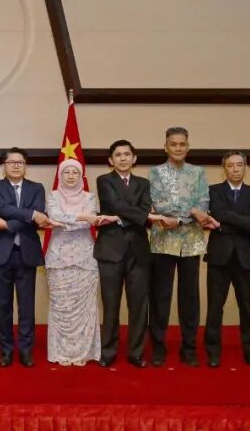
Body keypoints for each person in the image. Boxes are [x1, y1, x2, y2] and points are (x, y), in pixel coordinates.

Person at [147, 126, 216, 367]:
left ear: (188, 146)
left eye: (182, 144)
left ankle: (189, 348)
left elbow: (204, 204)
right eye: (173, 144)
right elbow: (159, 204)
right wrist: (191, 212)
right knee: (160, 296)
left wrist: (183, 217)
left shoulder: (198, 172)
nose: (178, 148)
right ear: (165, 147)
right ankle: (158, 347)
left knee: (190, 298)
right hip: (162, 242)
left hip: (191, 243)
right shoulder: (155, 172)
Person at [204, 151, 250, 368]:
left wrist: (223, 226)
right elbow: (220, 213)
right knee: (215, 308)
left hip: (245, 258)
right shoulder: (214, 190)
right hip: (219, 257)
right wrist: (249, 225)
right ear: (224, 168)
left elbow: (249, 218)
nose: (235, 169)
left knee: (247, 308)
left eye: (239, 165)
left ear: (245, 167)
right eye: (230, 165)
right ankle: (213, 353)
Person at [0, 147, 48, 368]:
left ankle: (26, 350)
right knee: (4, 307)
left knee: (26, 307)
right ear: (4, 166)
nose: (15, 165)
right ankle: (6, 350)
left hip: (26, 253)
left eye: (19, 162)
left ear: (25, 166)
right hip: (1, 254)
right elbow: (1, 208)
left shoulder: (36, 188)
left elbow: (39, 216)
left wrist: (8, 224)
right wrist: (31, 214)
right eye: (11, 162)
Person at [44, 159, 109, 366]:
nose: (71, 176)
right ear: (60, 175)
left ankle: (83, 353)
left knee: (85, 309)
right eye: (66, 172)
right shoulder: (52, 196)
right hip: (58, 259)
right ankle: (61, 352)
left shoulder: (90, 197)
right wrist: (82, 217)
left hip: (85, 259)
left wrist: (66, 221)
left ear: (81, 176)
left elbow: (84, 223)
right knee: (60, 307)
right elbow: (55, 216)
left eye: (75, 172)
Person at [95, 140, 154, 368]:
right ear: (111, 160)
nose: (123, 158)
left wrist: (121, 218)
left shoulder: (144, 183)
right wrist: (140, 217)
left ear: (134, 158)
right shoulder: (104, 180)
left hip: (139, 251)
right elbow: (114, 204)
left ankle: (136, 352)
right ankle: (108, 352)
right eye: (118, 155)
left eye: (127, 154)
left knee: (139, 306)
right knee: (110, 305)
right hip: (110, 250)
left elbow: (144, 208)